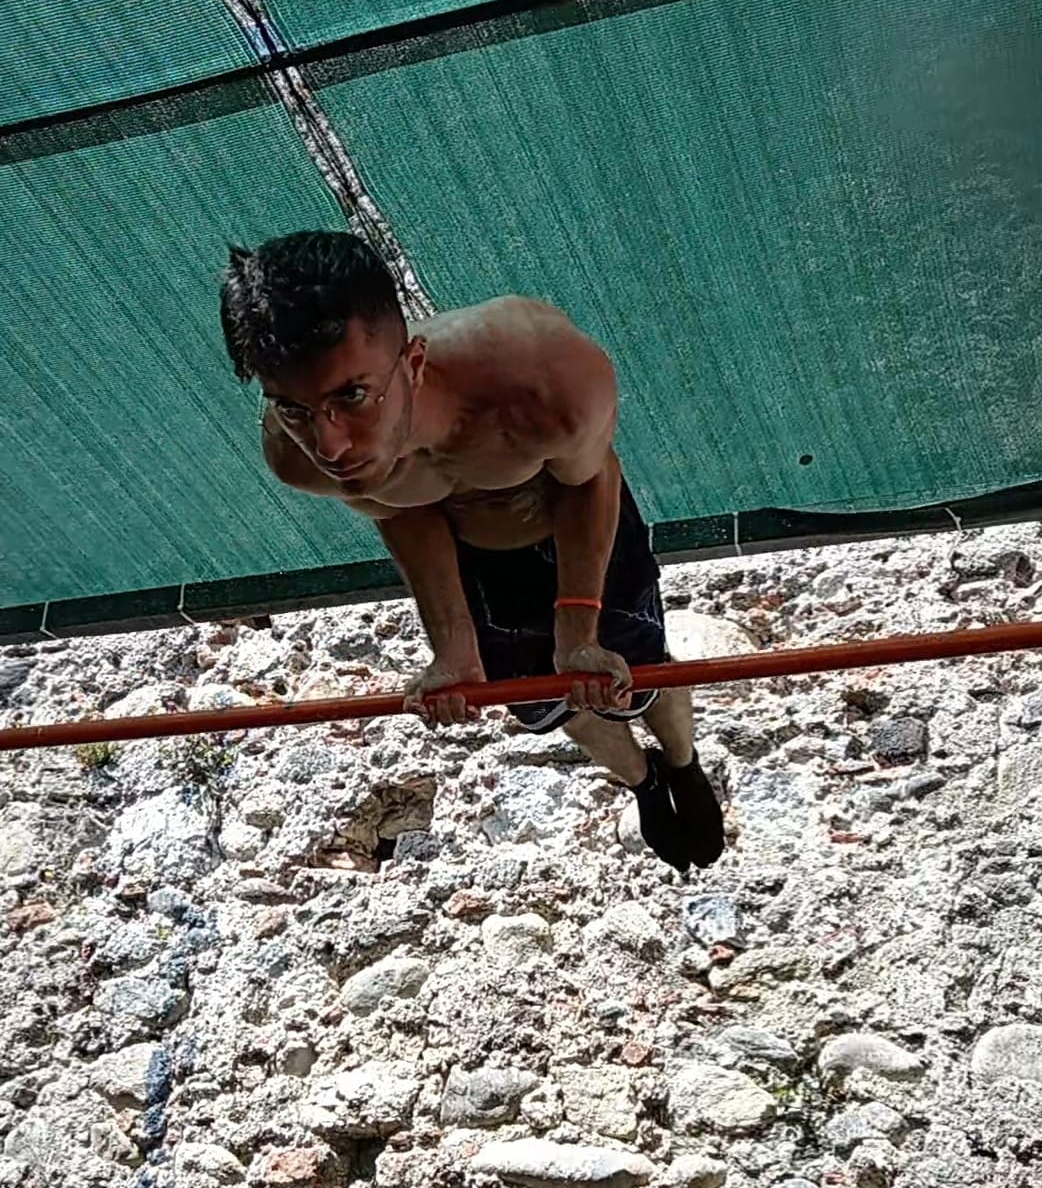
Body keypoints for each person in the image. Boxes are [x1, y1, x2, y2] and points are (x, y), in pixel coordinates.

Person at [219, 231, 725, 871]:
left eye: (352, 396)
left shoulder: (545, 377)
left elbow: (590, 479)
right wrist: (453, 645)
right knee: (551, 702)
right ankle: (644, 784)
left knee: (638, 676)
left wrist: (577, 626)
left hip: (579, 525)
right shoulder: (296, 456)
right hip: (475, 565)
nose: (331, 446)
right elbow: (403, 510)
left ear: (414, 362)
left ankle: (682, 762)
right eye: (293, 408)